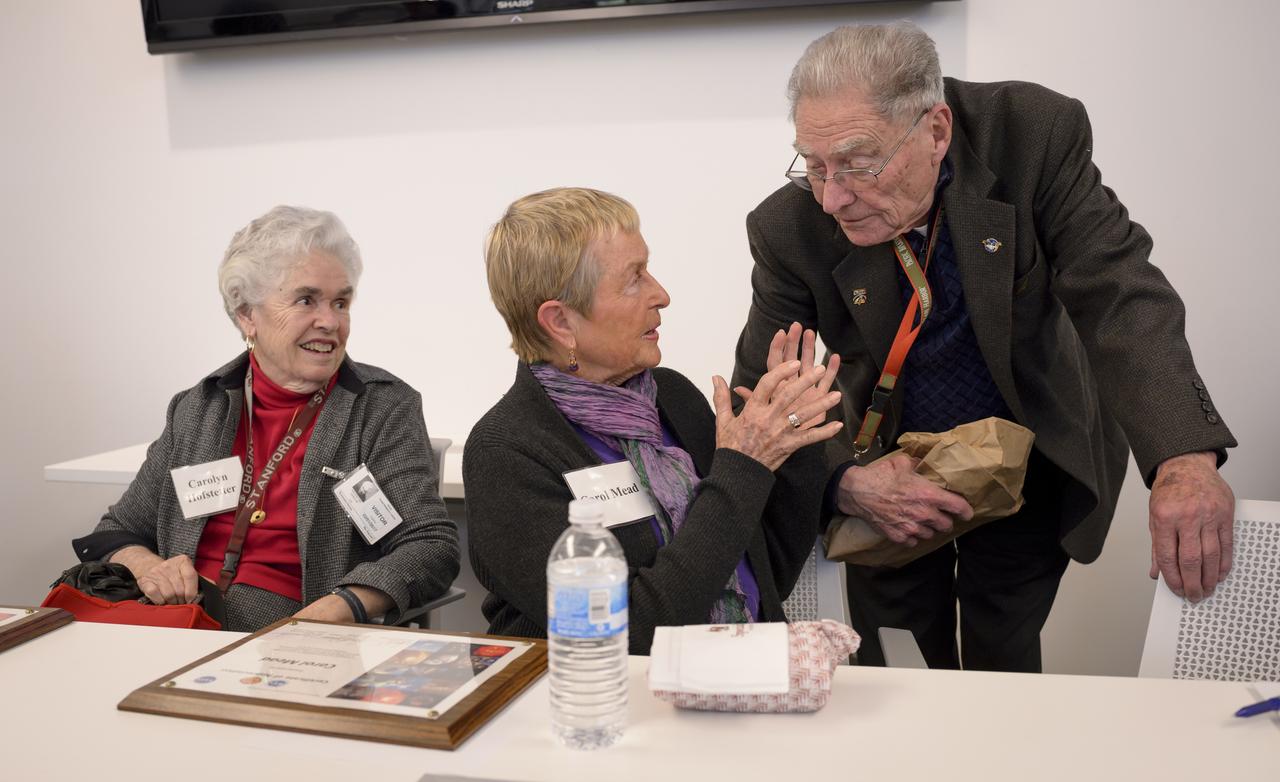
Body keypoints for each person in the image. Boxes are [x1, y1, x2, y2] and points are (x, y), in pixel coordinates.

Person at [731, 22, 1237, 672]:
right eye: (814, 165)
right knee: (899, 665)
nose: (833, 197)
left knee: (1003, 663)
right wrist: (845, 480)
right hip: (890, 475)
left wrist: (1184, 461)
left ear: (935, 130)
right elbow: (760, 388)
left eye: (858, 165)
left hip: (1025, 455)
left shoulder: (1031, 135)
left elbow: (1119, 293)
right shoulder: (788, 225)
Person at [465, 187, 844, 654]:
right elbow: (630, 631)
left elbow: (767, 576)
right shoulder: (505, 452)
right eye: (633, 279)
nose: (661, 295)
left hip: (738, 677)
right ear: (561, 322)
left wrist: (792, 436)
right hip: (600, 707)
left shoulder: (672, 397)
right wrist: (743, 465)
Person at [73, 206, 460, 631]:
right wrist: (149, 567)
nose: (329, 321)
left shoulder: (381, 408)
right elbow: (116, 530)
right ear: (247, 315)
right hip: (176, 628)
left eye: (340, 302)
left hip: (291, 635)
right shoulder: (199, 408)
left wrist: (343, 605)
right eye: (306, 299)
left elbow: (428, 546)